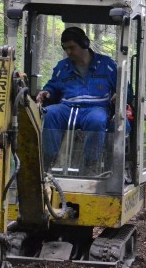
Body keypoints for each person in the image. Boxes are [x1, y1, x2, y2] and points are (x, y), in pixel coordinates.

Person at [36, 27, 117, 173]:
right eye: (65, 48)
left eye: (72, 47)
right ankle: (48, 162)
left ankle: (90, 164)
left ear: (84, 44)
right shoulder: (62, 67)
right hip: (68, 107)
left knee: (97, 120)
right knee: (50, 113)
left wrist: (120, 94)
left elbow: (125, 89)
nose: (68, 52)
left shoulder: (108, 65)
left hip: (96, 108)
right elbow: (53, 86)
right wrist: (46, 92)